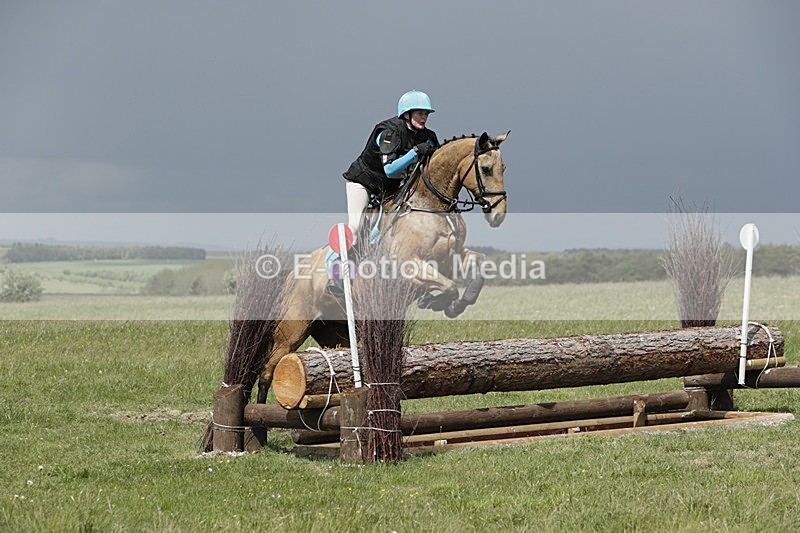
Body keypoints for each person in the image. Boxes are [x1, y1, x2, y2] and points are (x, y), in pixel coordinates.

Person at [341, 89, 440, 241]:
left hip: (392, 188)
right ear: (407, 114)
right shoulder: (389, 132)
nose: (424, 118)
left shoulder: (428, 136)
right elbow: (390, 169)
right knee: (356, 226)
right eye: (420, 113)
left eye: (426, 114)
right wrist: (414, 152)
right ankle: (338, 259)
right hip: (364, 183)